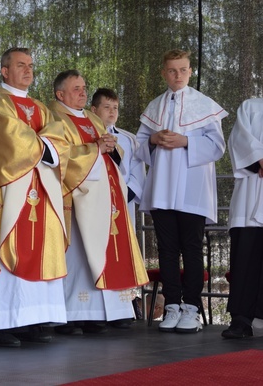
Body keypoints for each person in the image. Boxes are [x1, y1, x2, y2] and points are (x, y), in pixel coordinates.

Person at [0, 47, 69, 346]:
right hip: (9, 186)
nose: (28, 71)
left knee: (40, 247)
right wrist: (42, 144)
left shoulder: (40, 107)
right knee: (8, 245)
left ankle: (34, 319)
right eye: (20, 65)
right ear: (5, 71)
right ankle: (2, 322)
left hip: (39, 187)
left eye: (30, 65)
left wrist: (42, 144)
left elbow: (59, 135)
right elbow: (9, 137)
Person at [49, 70, 147, 335]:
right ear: (60, 94)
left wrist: (111, 145)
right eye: (76, 89)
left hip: (106, 194)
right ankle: (74, 313)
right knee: (80, 255)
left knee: (106, 250)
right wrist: (95, 149)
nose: (83, 92)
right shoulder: (54, 117)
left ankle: (110, 312)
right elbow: (60, 155)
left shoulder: (92, 118)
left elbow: (115, 153)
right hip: (75, 196)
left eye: (83, 88)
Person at [136, 50, 227, 334]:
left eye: (182, 70)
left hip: (192, 189)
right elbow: (138, 146)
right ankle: (172, 306)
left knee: (190, 248)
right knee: (166, 249)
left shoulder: (204, 105)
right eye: (172, 71)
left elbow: (217, 147)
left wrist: (186, 141)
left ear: (190, 72)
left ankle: (191, 308)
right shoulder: (154, 106)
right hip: (162, 187)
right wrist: (152, 138)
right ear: (163, 73)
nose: (177, 75)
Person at [224, 98, 263, 339]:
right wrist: (258, 159)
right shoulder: (251, 106)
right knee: (245, 259)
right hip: (252, 191)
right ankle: (241, 319)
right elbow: (239, 138)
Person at [90, 88, 146, 228]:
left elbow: (137, 175)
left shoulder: (130, 139)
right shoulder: (85, 136)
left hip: (123, 200)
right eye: (107, 107)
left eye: (115, 107)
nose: (112, 111)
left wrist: (123, 197)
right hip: (93, 200)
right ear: (94, 110)